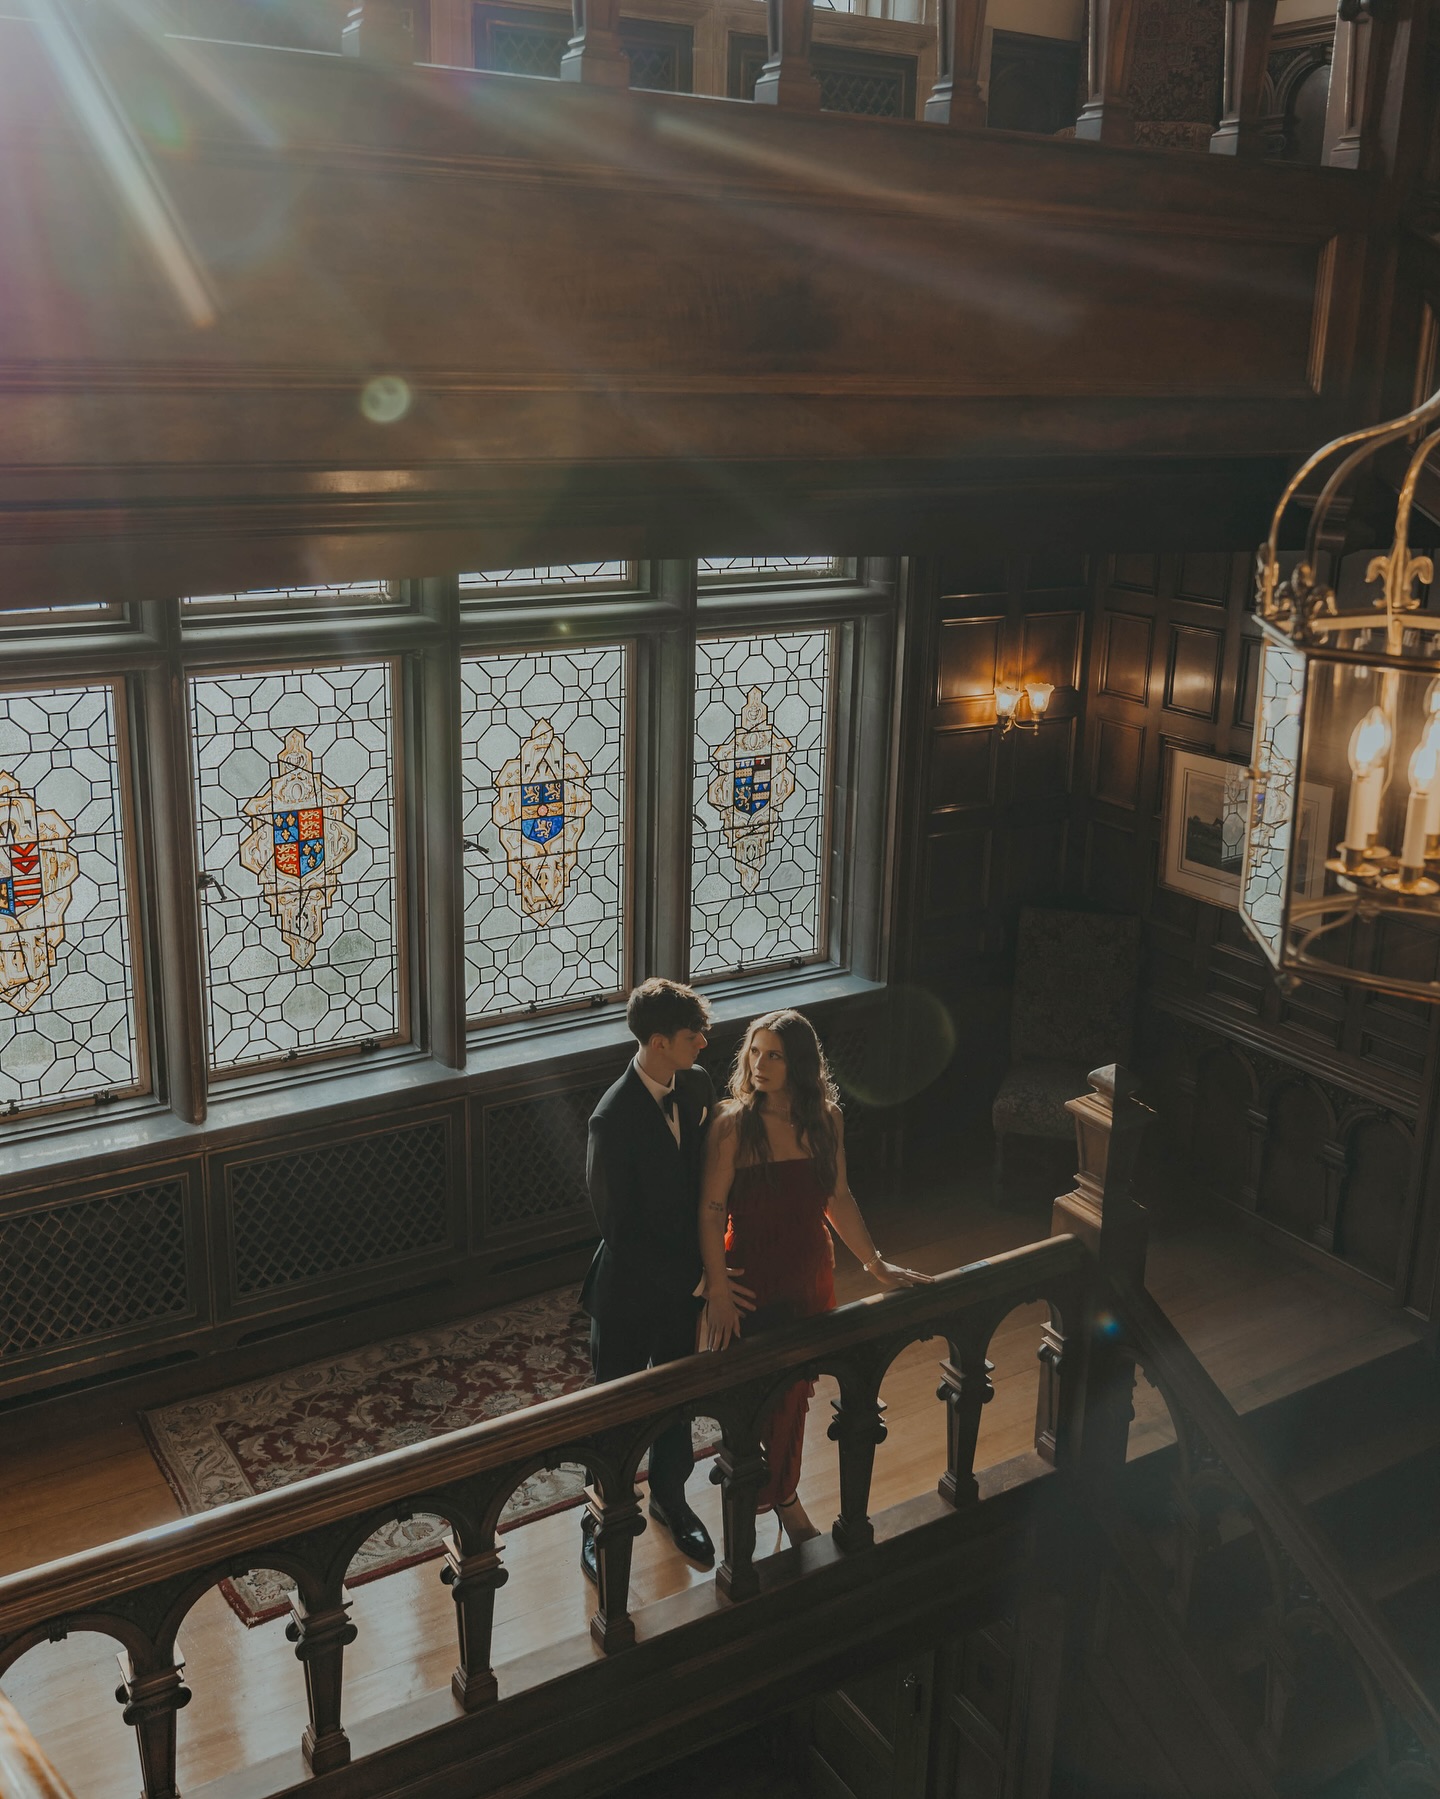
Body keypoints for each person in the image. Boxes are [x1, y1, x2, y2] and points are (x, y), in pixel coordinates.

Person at [698, 1008, 932, 1547]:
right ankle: (752, 1497)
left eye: (773, 1055)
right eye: (754, 1052)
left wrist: (876, 1264)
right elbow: (711, 1210)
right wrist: (716, 1288)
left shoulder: (826, 1118)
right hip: (749, 1277)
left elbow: (838, 1197)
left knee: (797, 1395)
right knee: (752, 1397)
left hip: (808, 1274)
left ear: (798, 1062)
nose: (759, 1064)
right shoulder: (731, 1123)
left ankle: (784, 1495)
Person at [580, 978, 753, 1580]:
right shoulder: (611, 1120)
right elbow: (619, 1230)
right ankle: (600, 1515)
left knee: (677, 1400)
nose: (705, 1041)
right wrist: (696, 1279)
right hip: (628, 1293)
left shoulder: (699, 1085)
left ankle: (671, 1501)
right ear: (658, 1042)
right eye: (692, 1035)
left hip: (685, 1286)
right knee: (617, 1410)